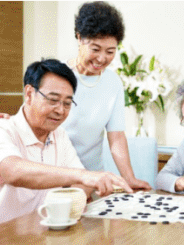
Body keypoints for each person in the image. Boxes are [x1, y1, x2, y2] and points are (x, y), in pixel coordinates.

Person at [0, 58, 130, 226]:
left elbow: (82, 184)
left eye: (68, 103)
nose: (61, 110)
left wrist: (85, 186)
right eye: (53, 100)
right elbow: (12, 171)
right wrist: (84, 176)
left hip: (42, 235)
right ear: (28, 94)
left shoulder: (58, 135)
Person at [64, 2, 150, 188]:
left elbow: (116, 137)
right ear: (79, 38)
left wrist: (129, 178)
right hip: (58, 176)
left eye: (110, 51)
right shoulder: (58, 76)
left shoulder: (113, 83)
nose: (102, 58)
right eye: (95, 49)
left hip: (92, 179)